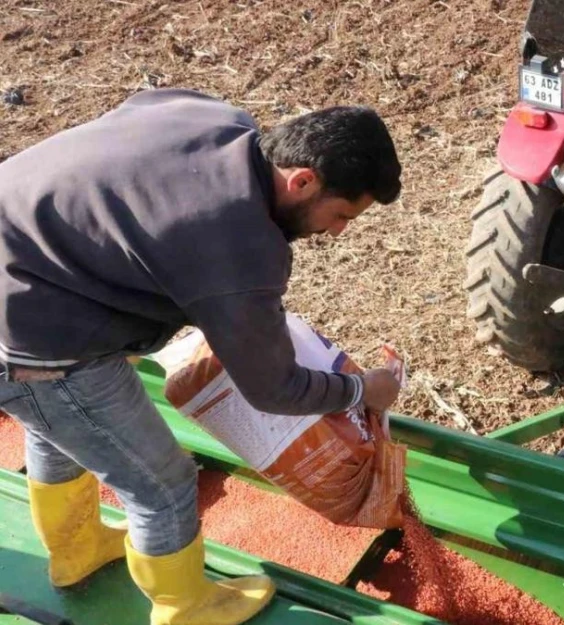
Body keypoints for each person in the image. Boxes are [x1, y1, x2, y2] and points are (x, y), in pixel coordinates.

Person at [0, 88, 404, 625]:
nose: (336, 231)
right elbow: (273, 389)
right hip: (36, 339)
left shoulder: (206, 115)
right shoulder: (239, 246)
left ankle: (77, 551)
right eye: (339, 214)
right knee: (161, 484)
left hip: (23, 263)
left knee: (61, 426)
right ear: (302, 179)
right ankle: (183, 605)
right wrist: (360, 390)